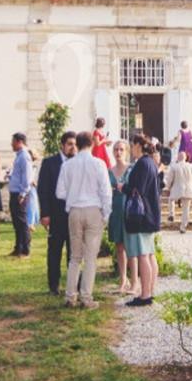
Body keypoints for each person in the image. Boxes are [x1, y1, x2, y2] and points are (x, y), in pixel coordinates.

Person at [56, 131, 112, 309]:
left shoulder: (68, 165)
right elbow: (105, 191)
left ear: (77, 145)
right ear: (93, 144)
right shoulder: (98, 164)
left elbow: (60, 192)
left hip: (74, 211)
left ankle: (70, 296)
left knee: (75, 256)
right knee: (90, 257)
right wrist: (106, 214)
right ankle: (86, 297)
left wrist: (73, 195)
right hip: (93, 209)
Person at [123, 134, 162, 307]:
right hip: (150, 212)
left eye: (132, 145)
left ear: (139, 145)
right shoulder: (151, 163)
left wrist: (122, 187)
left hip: (141, 214)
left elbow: (136, 189)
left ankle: (145, 294)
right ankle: (150, 290)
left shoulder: (142, 164)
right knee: (150, 254)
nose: (131, 149)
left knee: (143, 255)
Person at [37, 131, 77, 295]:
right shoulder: (49, 163)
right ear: (62, 145)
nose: (72, 147)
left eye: (75, 144)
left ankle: (72, 285)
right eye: (69, 144)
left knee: (73, 253)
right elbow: (43, 190)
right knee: (54, 251)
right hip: (55, 214)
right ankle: (53, 285)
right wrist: (45, 214)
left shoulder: (78, 163)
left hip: (74, 215)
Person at [108, 141, 138, 294]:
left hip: (128, 210)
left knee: (131, 247)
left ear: (126, 151)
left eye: (121, 149)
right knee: (119, 247)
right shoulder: (109, 171)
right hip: (115, 210)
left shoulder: (131, 169)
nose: (118, 152)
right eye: (115, 149)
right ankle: (123, 280)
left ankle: (134, 282)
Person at [6, 133, 33, 257]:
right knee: (17, 223)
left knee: (22, 222)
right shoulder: (18, 156)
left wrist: (23, 193)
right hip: (14, 192)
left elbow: (27, 177)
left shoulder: (24, 156)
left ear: (19, 142)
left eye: (13, 141)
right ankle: (18, 247)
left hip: (20, 194)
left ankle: (25, 249)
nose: (11, 144)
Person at [164, 150, 192, 233]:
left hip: (177, 188)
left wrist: (168, 187)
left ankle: (171, 214)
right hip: (188, 189)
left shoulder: (174, 166)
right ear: (185, 158)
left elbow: (169, 179)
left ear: (178, 157)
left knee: (171, 199)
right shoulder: (191, 166)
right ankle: (183, 227)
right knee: (186, 209)